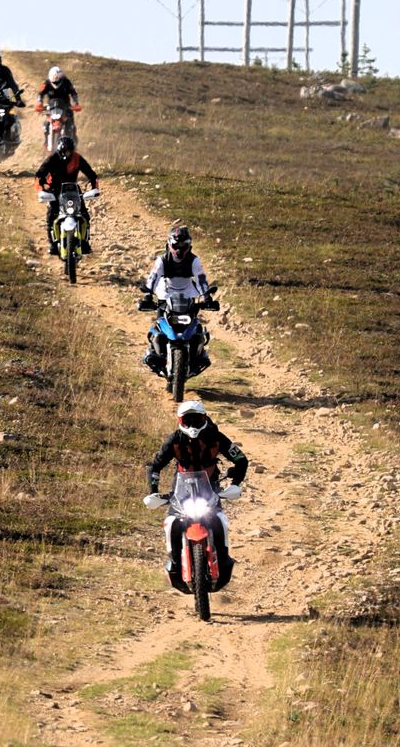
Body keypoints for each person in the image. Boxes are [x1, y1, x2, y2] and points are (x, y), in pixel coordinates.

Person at [146, 400, 248, 591]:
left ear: (205, 418)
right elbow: (155, 466)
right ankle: (174, 560)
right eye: (187, 420)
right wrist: (153, 492)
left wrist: (234, 484)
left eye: (197, 419)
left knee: (219, 519)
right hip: (182, 486)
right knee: (172, 521)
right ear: (180, 421)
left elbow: (241, 460)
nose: (192, 425)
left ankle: (223, 557)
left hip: (210, 485)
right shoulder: (174, 440)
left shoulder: (216, 437)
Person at [139, 226, 214, 374]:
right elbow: (153, 277)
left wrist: (206, 296)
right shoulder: (162, 260)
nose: (179, 250)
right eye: (176, 245)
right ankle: (156, 352)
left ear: (189, 246)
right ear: (169, 244)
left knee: (195, 324)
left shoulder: (194, 260)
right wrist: (148, 295)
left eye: (183, 246)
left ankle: (197, 352)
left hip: (188, 293)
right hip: (165, 292)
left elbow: (200, 278)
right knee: (159, 324)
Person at [34, 136, 99, 255]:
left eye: (69, 151)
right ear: (59, 151)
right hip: (55, 190)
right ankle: (53, 244)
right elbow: (39, 175)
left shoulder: (77, 158)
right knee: (51, 217)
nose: (67, 154)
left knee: (84, 215)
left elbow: (91, 175)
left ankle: (85, 243)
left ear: (73, 150)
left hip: (73, 190)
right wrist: (41, 189)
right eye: (64, 151)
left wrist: (95, 189)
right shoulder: (52, 159)